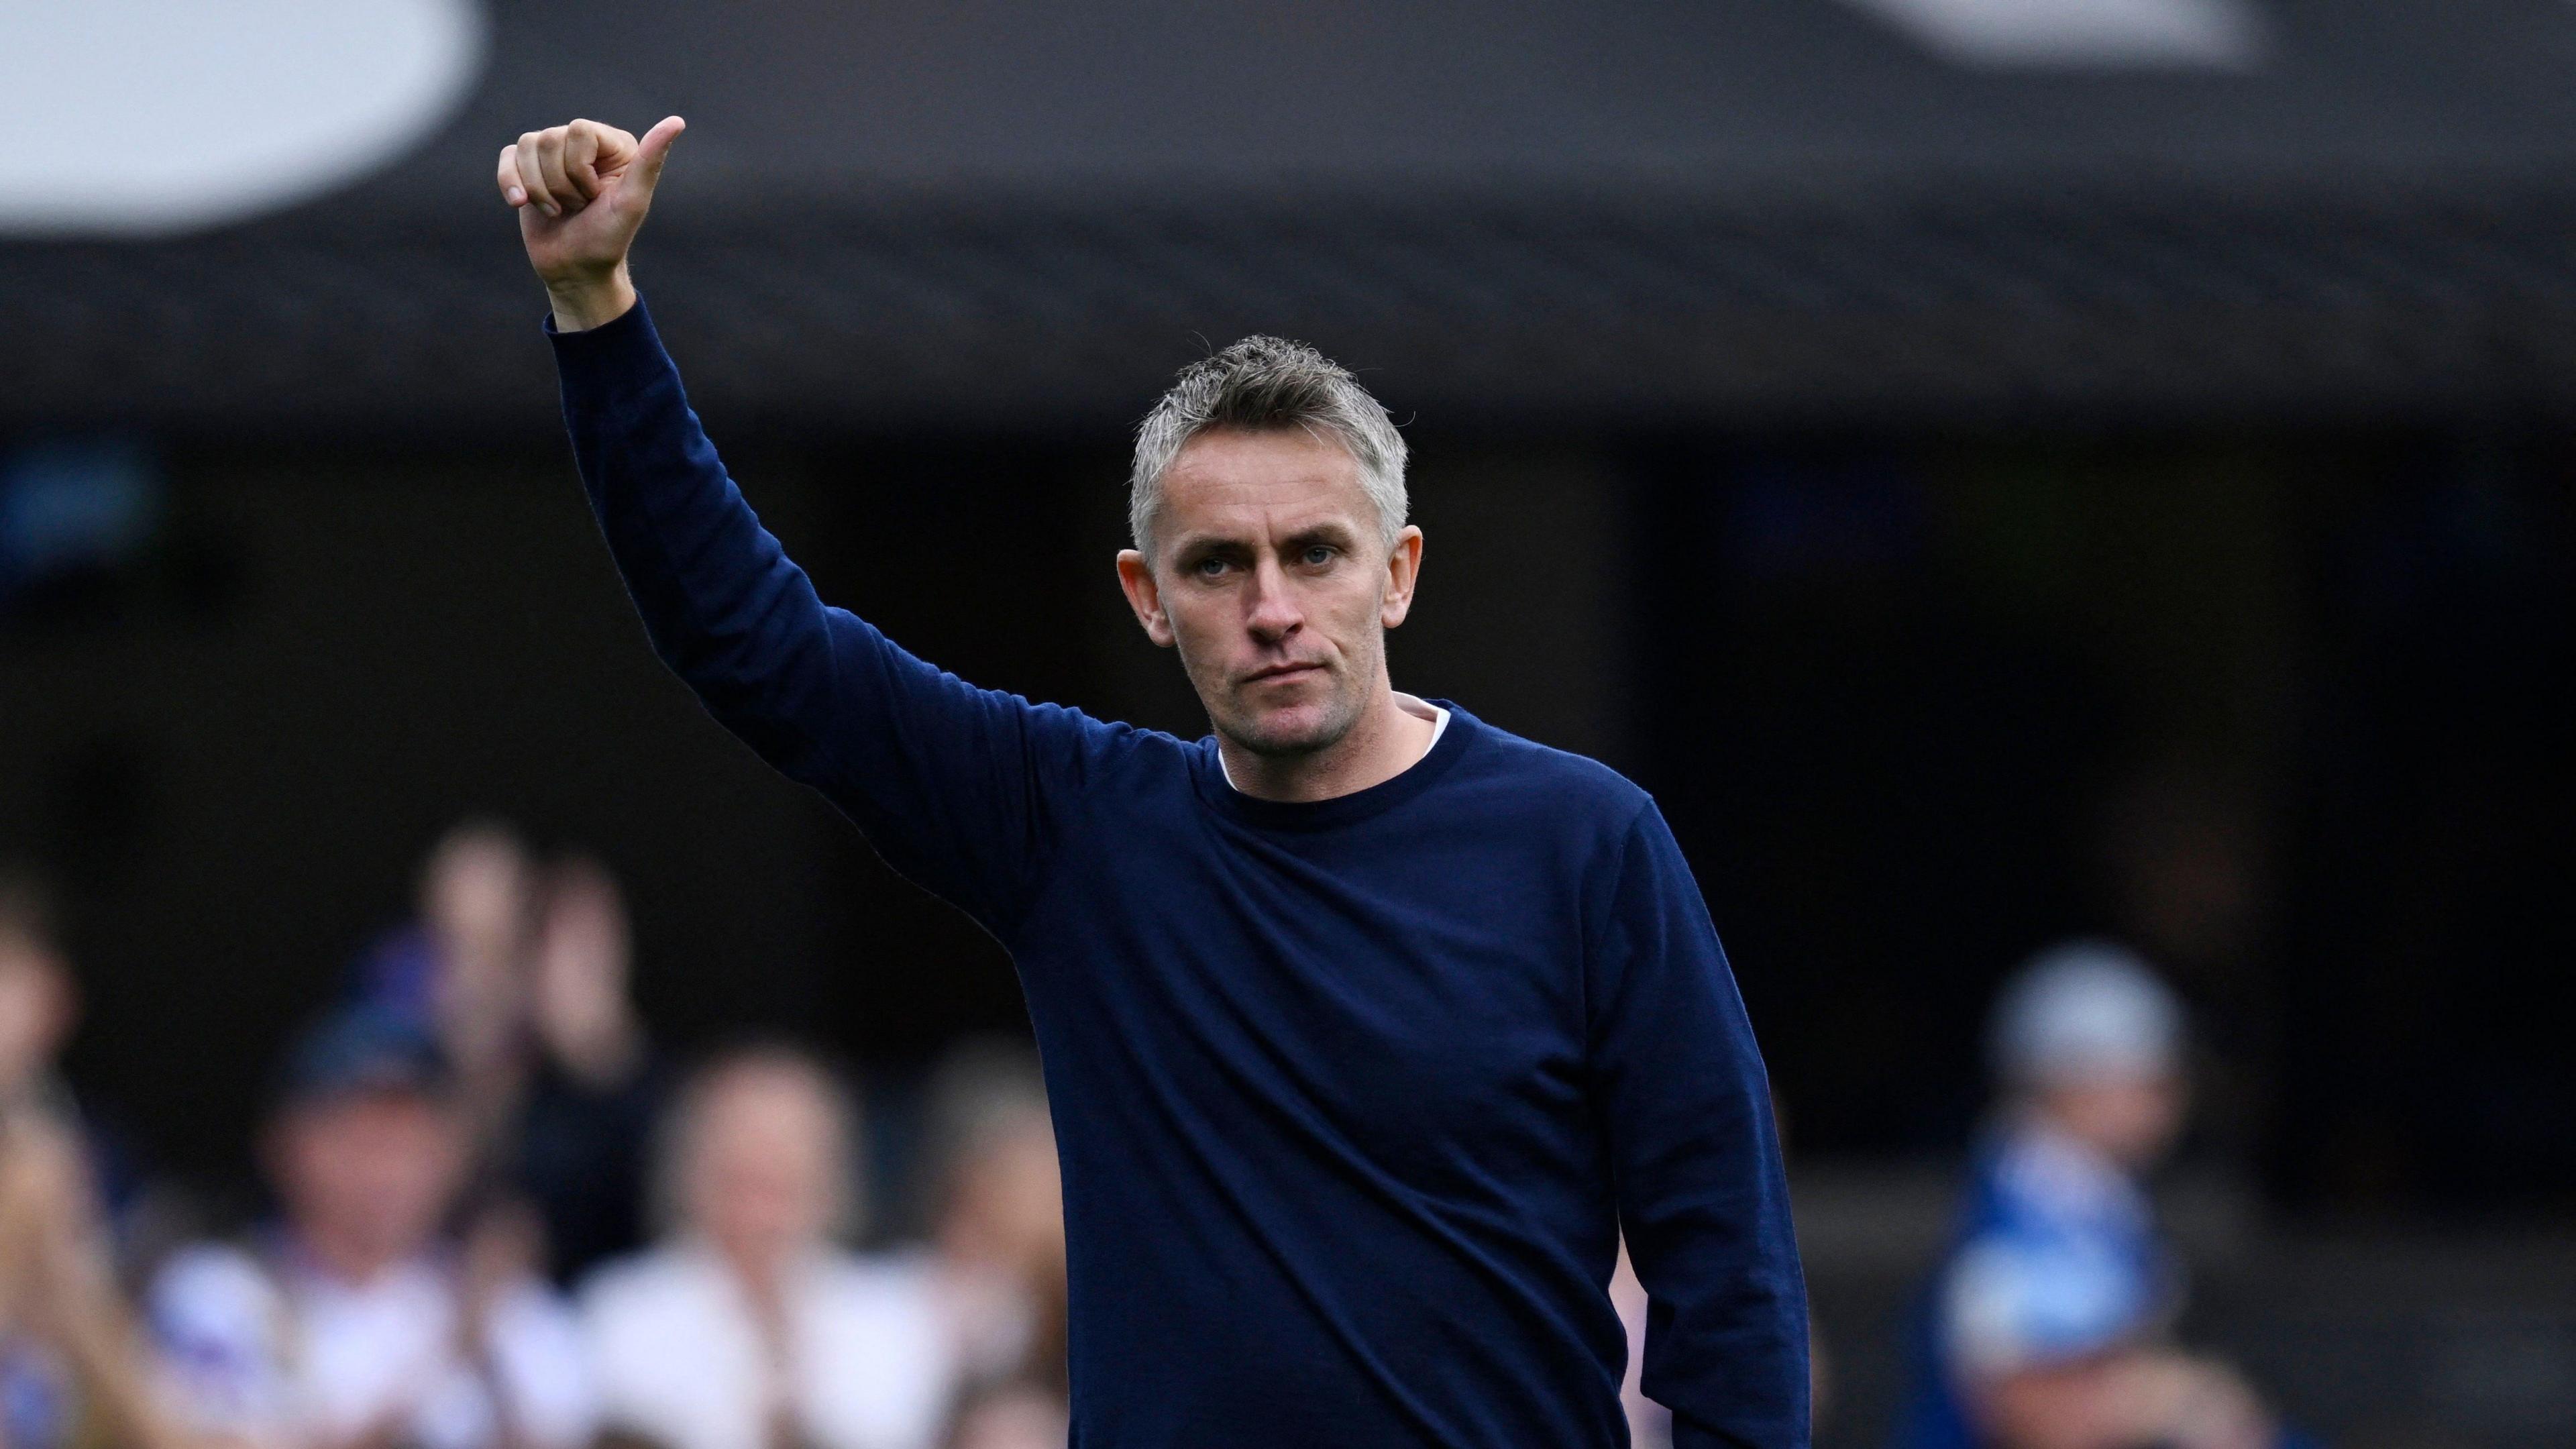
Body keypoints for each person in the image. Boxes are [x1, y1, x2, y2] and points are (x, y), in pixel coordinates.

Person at [497, 114, 1806, 1448]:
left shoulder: (1582, 841)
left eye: (1317, 552)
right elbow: (754, 643)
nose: (1275, 605)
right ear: (1147, 597)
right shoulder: (1081, 826)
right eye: (1218, 565)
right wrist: (594, 307)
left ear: (1399, 570)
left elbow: (1728, 1268)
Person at [1893, 941, 2286, 1449]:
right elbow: (2031, 1412)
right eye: (2149, 1081)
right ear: (2070, 1079)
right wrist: (2172, 1402)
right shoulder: (2028, 1211)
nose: (2170, 1101)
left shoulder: (2085, 1194)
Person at [149, 1006, 594, 1449]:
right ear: (283, 1145)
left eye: (411, 1139)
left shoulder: (515, 1313)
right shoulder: (220, 1294)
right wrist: (454, 1345)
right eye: (360, 1137)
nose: (388, 1168)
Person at [580, 1045, 960, 1449]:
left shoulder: (895, 1318)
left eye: (783, 1179)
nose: (760, 1212)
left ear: (831, 1183)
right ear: (689, 1175)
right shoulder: (621, 1312)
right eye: (740, 1178)